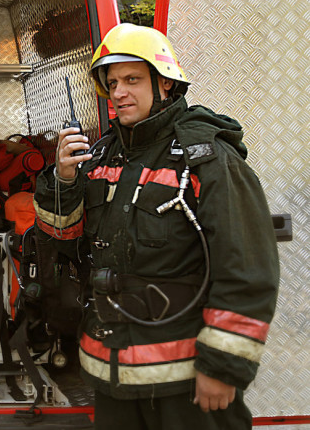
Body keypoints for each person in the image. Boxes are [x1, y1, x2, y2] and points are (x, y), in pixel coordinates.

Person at [33, 23, 279, 429]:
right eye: (112, 82)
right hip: (112, 376)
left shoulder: (208, 158)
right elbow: (63, 236)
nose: (119, 93)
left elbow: (247, 269)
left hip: (186, 380)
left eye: (132, 79)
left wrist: (222, 366)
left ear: (165, 82)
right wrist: (63, 179)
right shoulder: (103, 156)